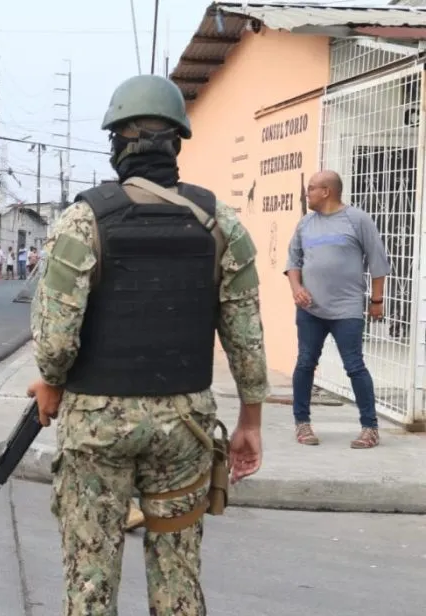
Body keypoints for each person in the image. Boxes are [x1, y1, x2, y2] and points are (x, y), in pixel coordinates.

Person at [28, 74, 267, 615]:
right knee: (178, 574)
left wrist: (51, 382)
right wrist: (251, 420)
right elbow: (246, 339)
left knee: (90, 580)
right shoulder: (219, 223)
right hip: (184, 426)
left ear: (116, 144)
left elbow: (55, 345)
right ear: (178, 143)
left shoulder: (82, 221)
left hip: (96, 428)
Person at [285, 169, 389, 449]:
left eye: (311, 189)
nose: (307, 194)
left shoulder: (357, 219)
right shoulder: (305, 223)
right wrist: (297, 289)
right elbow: (293, 262)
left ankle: (370, 428)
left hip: (347, 309)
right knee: (305, 363)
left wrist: (376, 301)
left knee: (354, 366)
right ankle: (302, 423)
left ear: (326, 191)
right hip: (310, 310)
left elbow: (378, 261)